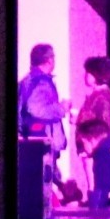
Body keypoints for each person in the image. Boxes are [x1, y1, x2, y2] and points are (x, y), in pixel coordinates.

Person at [18, 43, 71, 184]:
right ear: (49, 60)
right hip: (42, 140)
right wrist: (61, 108)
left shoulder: (29, 80)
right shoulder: (40, 82)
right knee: (42, 182)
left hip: (34, 139)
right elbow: (35, 108)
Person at [74, 56, 110, 198]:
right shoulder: (96, 95)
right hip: (89, 146)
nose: (85, 76)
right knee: (91, 178)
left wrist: (80, 119)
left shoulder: (103, 96)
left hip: (96, 146)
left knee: (95, 180)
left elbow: (105, 123)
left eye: (88, 73)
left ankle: (96, 203)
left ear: (97, 75)